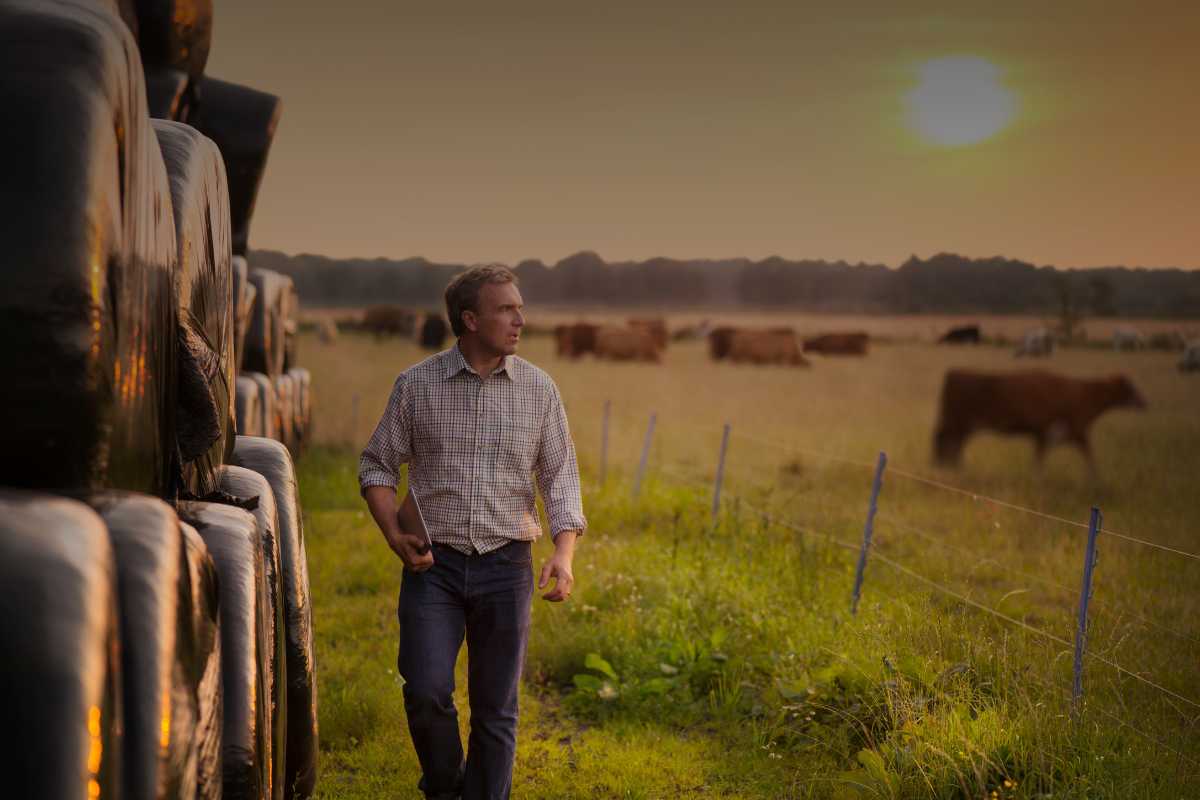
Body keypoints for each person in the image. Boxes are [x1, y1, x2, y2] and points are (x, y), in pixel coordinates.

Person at [358, 264, 586, 800]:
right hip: (432, 568)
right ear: (470, 319)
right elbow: (377, 467)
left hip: (507, 567)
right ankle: (445, 786)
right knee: (427, 690)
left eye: (520, 308)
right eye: (506, 309)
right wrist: (394, 534)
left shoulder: (539, 389)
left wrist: (564, 552)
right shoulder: (416, 385)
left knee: (496, 710)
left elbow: (561, 477)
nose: (520, 320)